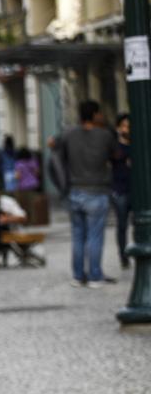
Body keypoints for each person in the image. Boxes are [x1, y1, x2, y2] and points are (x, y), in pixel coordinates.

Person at [53, 100, 118, 288]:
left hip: (74, 190)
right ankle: (95, 275)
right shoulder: (105, 135)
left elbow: (56, 155)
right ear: (96, 114)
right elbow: (116, 155)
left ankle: (78, 275)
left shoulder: (68, 134)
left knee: (78, 235)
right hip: (97, 190)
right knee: (95, 236)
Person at [112, 113, 132, 270]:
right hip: (120, 190)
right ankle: (123, 256)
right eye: (124, 125)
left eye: (129, 125)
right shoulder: (114, 146)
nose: (127, 129)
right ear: (118, 127)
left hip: (137, 191)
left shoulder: (137, 144)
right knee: (122, 225)